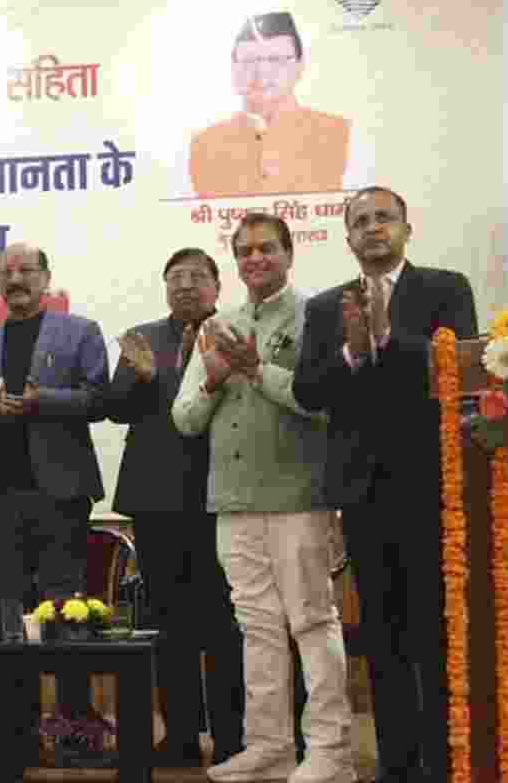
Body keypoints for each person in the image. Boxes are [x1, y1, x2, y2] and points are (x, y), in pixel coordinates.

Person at [294, 186, 477, 783]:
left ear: (405, 228)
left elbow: (458, 367)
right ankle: (397, 764)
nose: (373, 229)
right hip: (363, 493)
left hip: (432, 487)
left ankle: (444, 759)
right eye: (361, 222)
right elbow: (306, 391)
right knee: (384, 634)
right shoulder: (326, 308)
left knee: (435, 629)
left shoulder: (446, 290)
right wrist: (350, 355)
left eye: (383, 219)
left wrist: (386, 341)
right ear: (347, 238)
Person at [173, 213, 354, 783]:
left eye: (266, 249)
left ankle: (331, 751)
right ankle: (269, 746)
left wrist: (256, 369)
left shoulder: (315, 316)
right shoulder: (216, 323)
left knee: (311, 621)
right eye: (245, 251)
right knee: (256, 627)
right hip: (232, 500)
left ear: (289, 253)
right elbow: (185, 420)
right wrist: (214, 377)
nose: (255, 259)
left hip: (299, 494)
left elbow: (322, 404)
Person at [0, 243, 110, 734]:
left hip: (60, 493)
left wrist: (43, 402)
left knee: (67, 608)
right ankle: (13, 726)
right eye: (7, 272)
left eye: (26, 271)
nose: (16, 279)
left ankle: (73, 721)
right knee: (6, 611)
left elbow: (99, 399)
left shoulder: (80, 331)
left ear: (46, 278)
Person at [107, 248, 245, 767]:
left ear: (216, 285)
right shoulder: (145, 337)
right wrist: (140, 377)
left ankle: (232, 737)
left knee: (224, 622)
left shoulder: (234, 331)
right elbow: (115, 409)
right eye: (175, 278)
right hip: (158, 499)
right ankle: (181, 734)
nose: (185, 286)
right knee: (169, 623)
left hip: (222, 495)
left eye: (196, 277)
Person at [176, 11, 372, 199]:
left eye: (276, 59)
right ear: (233, 66)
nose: (262, 73)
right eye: (249, 60)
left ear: (300, 65)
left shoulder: (342, 134)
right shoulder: (203, 144)